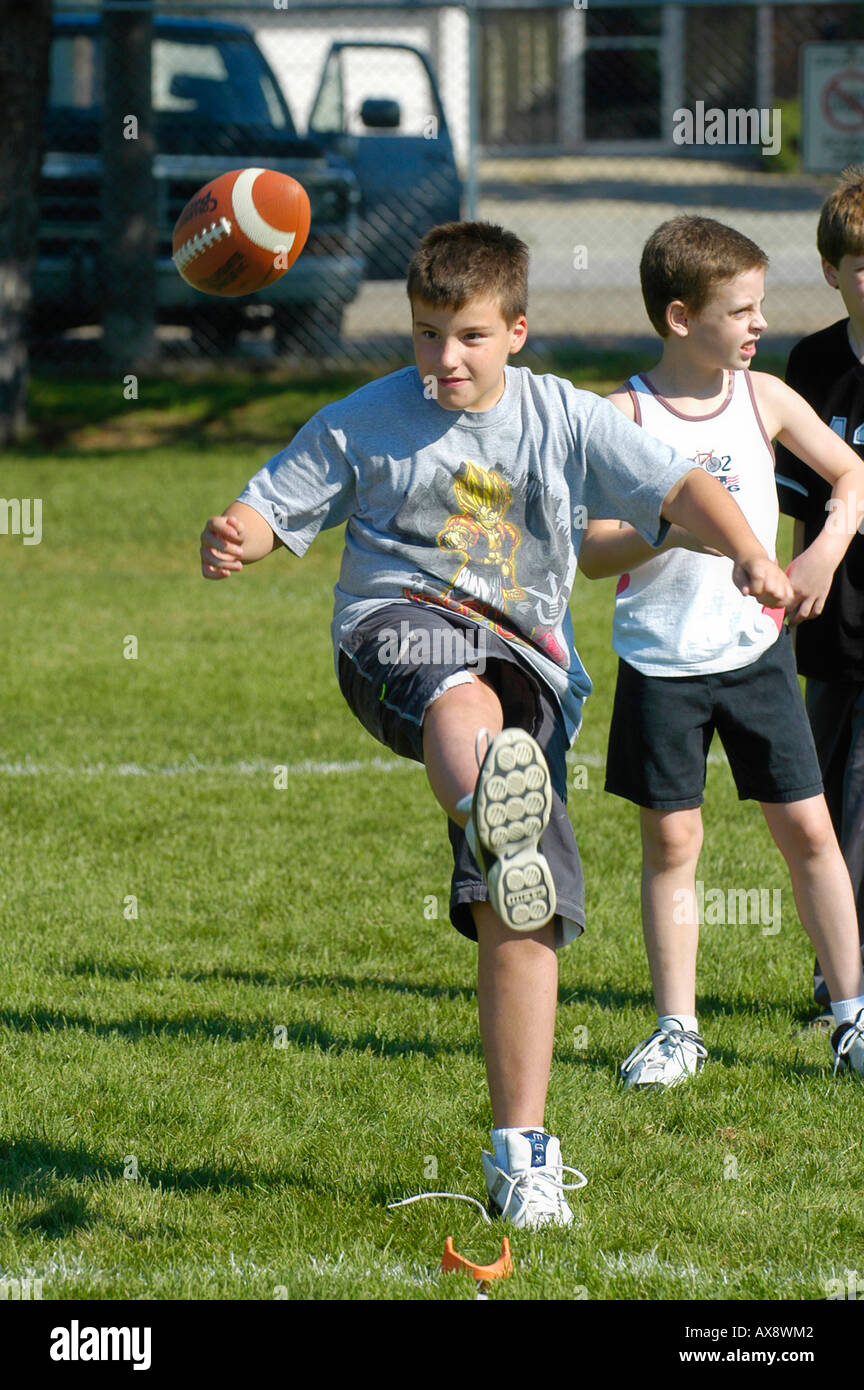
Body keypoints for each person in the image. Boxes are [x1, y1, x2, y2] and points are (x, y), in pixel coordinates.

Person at [200, 220, 793, 1226]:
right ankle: (487, 802)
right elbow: (275, 503)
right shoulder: (366, 417)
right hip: (398, 631)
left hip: (533, 669)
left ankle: (521, 1154)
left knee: (522, 907)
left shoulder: (562, 416)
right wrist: (237, 536)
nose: (444, 358)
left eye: (469, 336)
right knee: (456, 689)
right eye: (427, 334)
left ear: (517, 329)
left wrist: (748, 550)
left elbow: (681, 485)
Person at [578, 214, 864, 1090]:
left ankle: (853, 1018)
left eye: (760, 305)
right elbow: (591, 551)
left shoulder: (765, 398)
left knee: (811, 832)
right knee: (673, 845)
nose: (759, 324)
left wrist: (820, 551)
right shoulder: (623, 413)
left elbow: (853, 475)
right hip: (662, 662)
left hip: (757, 657)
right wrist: (678, 531)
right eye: (740, 311)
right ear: (678, 317)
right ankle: (677, 1031)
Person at [774, 166, 864, 1014]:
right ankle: (835, 974)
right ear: (832, 270)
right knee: (830, 799)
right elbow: (799, 508)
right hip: (836, 628)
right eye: (860, 260)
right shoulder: (812, 363)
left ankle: (853, 990)